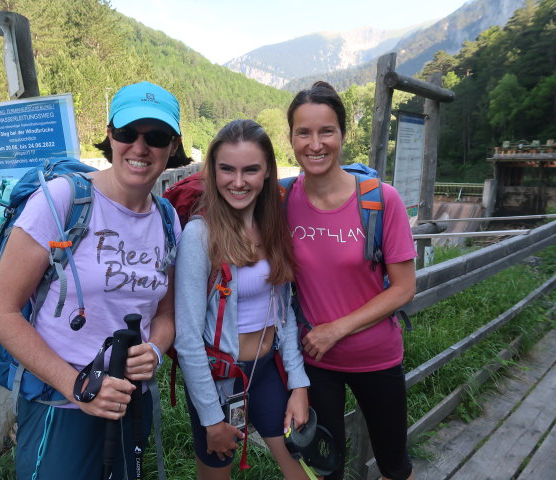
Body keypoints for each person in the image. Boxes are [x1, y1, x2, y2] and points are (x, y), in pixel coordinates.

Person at [0, 81, 188, 479]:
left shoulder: (166, 219)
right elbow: (0, 312)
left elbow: (166, 312)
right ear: (110, 135)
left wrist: (156, 350)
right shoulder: (63, 200)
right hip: (60, 405)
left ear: (173, 146)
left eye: (157, 136)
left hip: (130, 402)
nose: (140, 147)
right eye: (128, 133)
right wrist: (78, 386)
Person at [285, 81, 417, 480]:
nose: (315, 143)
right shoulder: (281, 201)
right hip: (316, 363)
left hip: (376, 357)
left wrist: (335, 330)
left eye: (326, 131)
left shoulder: (380, 199)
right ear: (290, 137)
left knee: (395, 466)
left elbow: (404, 287)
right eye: (303, 132)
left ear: (342, 134)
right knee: (326, 470)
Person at [174, 119, 311, 479]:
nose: (238, 182)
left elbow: (284, 314)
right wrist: (211, 419)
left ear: (267, 172)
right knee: (217, 473)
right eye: (227, 170)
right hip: (219, 381)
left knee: (299, 467)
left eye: (250, 170)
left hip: (266, 372)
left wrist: (298, 384)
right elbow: (187, 338)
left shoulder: (273, 226)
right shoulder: (200, 235)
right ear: (213, 171)